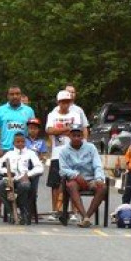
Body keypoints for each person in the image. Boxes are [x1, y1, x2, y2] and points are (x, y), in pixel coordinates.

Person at [45, 90, 87, 220]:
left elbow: (78, 132)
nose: (65, 104)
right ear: (58, 102)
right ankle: (55, 210)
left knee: (73, 182)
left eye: (67, 102)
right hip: (57, 153)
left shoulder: (75, 114)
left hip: (73, 153)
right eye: (63, 102)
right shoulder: (52, 115)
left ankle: (73, 211)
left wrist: (66, 132)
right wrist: (66, 129)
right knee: (55, 184)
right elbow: (49, 130)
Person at [58, 127, 106, 228]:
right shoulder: (64, 151)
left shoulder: (91, 148)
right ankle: (84, 216)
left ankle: (86, 217)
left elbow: (97, 165)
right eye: (74, 136)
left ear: (82, 136)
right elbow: (63, 169)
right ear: (69, 136)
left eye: (79, 136)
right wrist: (76, 175)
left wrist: (98, 178)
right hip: (75, 180)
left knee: (102, 187)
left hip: (91, 179)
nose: (76, 138)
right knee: (71, 185)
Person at [0, 132, 44, 225]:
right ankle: (11, 211)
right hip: (9, 182)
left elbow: (40, 168)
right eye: (18, 142)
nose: (20, 144)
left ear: (25, 142)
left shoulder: (30, 153)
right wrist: (4, 172)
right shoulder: (9, 154)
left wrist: (27, 175)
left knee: (25, 186)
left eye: (22, 142)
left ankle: (21, 208)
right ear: (13, 143)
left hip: (23, 181)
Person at [0, 85, 36, 159]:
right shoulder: (0, 110)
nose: (15, 96)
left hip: (24, 150)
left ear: (20, 95)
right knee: (5, 171)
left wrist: (34, 148)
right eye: (12, 94)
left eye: (17, 94)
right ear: (7, 96)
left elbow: (33, 130)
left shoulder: (29, 111)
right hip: (5, 150)